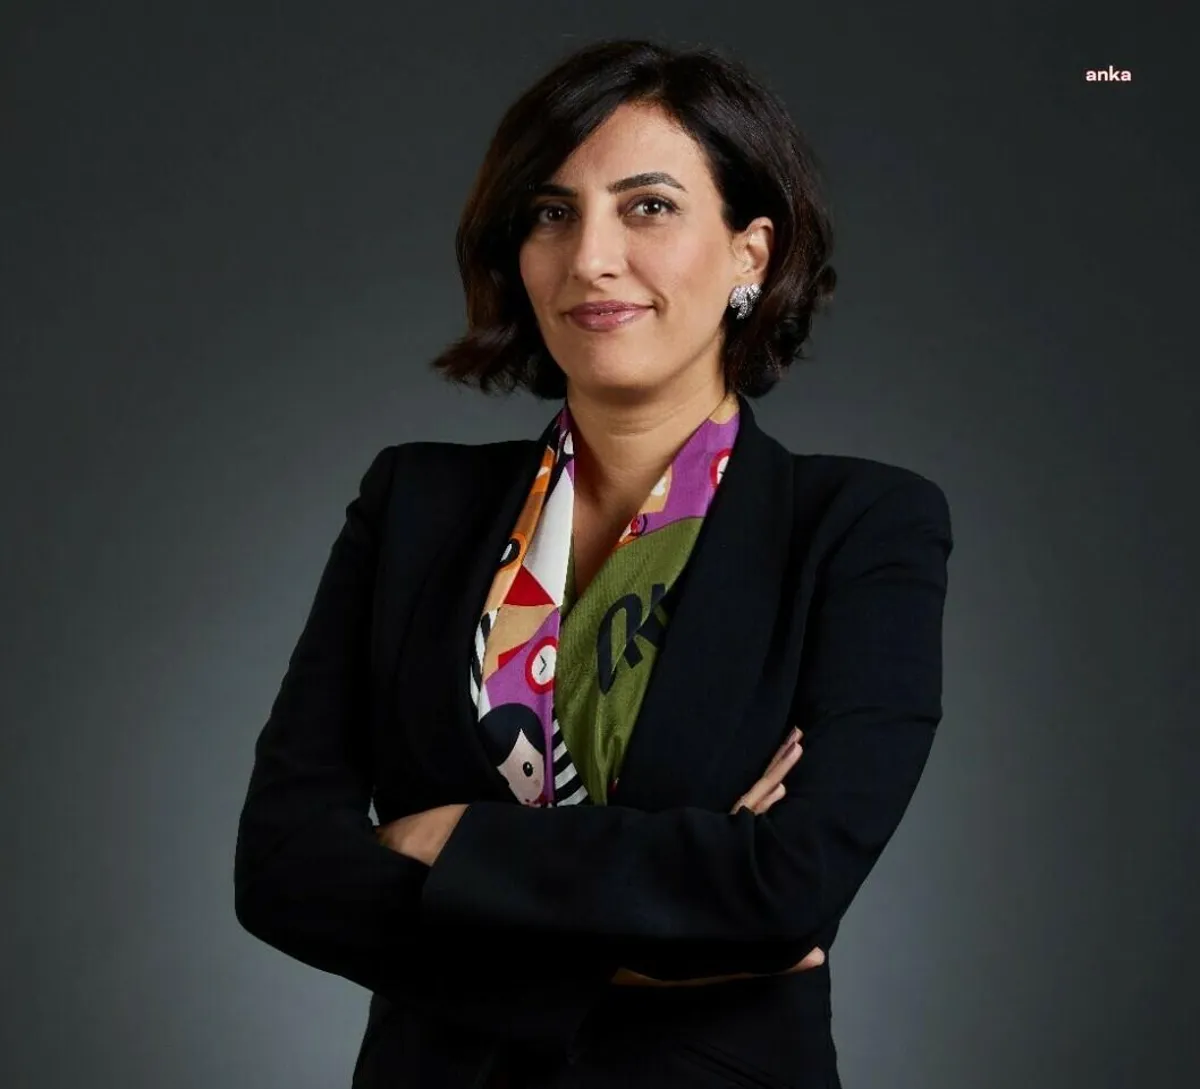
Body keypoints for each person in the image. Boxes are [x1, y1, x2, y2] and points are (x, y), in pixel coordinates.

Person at [233, 37, 954, 1089]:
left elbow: (787, 889)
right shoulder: (414, 503)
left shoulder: (862, 527)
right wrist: (652, 930)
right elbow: (282, 868)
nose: (590, 258)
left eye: (648, 206)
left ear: (751, 252)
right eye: (551, 212)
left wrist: (451, 840)